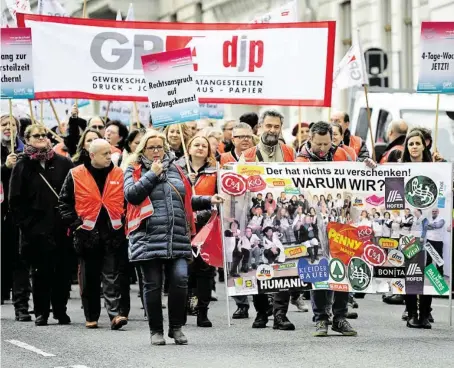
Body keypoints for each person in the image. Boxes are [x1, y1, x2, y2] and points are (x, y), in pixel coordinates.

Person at [124, 130, 223, 345]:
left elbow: (186, 198)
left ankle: (176, 327)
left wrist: (208, 199)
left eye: (160, 147)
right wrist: (152, 174)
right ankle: (156, 330)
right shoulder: (135, 169)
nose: (157, 151)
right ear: (143, 149)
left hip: (177, 235)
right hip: (147, 236)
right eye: (152, 147)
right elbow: (131, 195)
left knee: (180, 280)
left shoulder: (177, 168)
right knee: (153, 284)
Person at [296, 122, 359, 337]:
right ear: (310, 140)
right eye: (318, 143)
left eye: (327, 143)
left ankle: (340, 317)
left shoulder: (345, 155)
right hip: (315, 222)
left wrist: (367, 165)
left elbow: (359, 180)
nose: (322, 148)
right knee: (319, 269)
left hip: (341, 221)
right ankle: (321, 318)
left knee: (343, 267)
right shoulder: (299, 161)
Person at [59, 139, 129, 330]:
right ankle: (91, 315)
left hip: (112, 232)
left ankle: (115, 314)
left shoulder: (119, 173)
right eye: (105, 153)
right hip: (87, 233)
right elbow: (64, 202)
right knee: (89, 277)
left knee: (111, 275)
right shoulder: (75, 174)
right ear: (92, 155)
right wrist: (75, 224)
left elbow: (127, 201)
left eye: (109, 153)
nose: (109, 156)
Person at [9, 124, 74, 326]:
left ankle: (60, 310)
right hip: (36, 229)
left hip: (61, 226)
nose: (41, 138)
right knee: (41, 273)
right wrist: (28, 226)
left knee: (62, 271)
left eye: (44, 135)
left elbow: (74, 192)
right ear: (27, 139)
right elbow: (15, 200)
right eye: (36, 136)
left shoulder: (63, 162)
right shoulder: (23, 165)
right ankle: (42, 312)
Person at [241, 110, 297, 331]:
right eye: (268, 126)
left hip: (282, 217)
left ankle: (280, 314)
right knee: (258, 264)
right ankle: (261, 312)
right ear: (260, 127)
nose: (272, 130)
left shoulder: (289, 152)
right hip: (257, 218)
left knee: (282, 264)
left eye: (276, 127)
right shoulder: (248, 155)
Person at [176, 135, 220, 327]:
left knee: (205, 270)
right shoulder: (176, 168)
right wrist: (186, 180)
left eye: (204, 145)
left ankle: (203, 311)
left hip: (206, 226)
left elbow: (219, 197)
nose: (200, 148)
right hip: (182, 225)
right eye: (196, 145)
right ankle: (183, 309)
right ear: (189, 148)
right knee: (184, 270)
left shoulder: (215, 171)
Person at [398, 130, 435, 329]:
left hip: (430, 232)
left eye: (417, 143)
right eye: (410, 143)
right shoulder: (401, 168)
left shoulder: (435, 169)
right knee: (411, 271)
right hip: (409, 232)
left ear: (424, 146)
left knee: (429, 271)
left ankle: (425, 313)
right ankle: (412, 312)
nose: (413, 146)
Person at [0, 115, 31, 321]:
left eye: (12, 124)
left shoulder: (25, 152)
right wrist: (5, 168)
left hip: (18, 214)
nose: (8, 128)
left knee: (21, 261)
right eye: (4, 124)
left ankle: (21, 307)